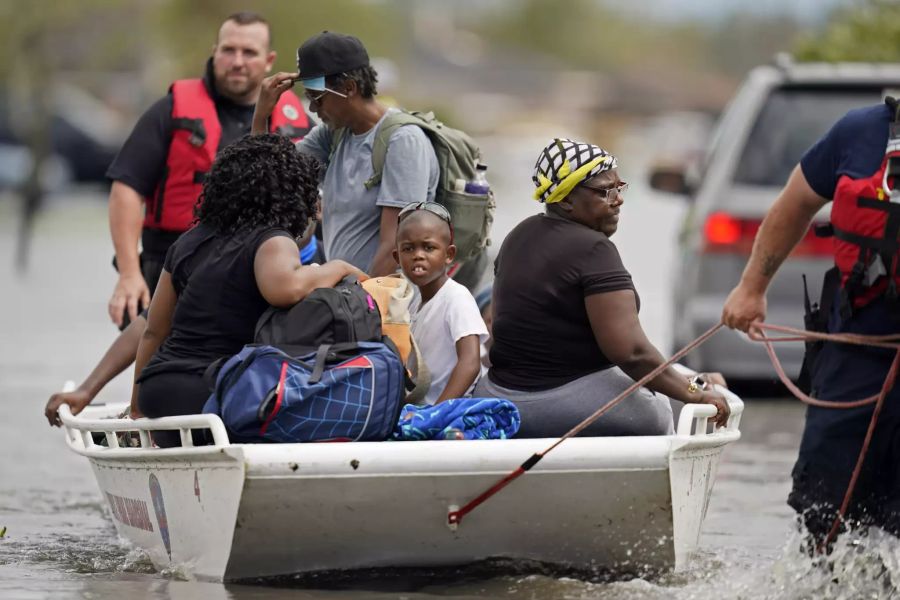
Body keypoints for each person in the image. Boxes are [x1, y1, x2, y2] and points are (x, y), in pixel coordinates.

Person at [722, 97, 900, 543]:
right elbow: (795, 203)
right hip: (858, 340)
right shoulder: (860, 130)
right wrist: (751, 287)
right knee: (824, 498)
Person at [475, 138, 729, 437]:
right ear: (566, 199)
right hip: (557, 403)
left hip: (497, 397)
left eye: (619, 188)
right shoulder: (594, 250)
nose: (617, 199)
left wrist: (696, 381)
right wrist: (695, 392)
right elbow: (632, 353)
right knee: (659, 408)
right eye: (604, 192)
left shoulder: (518, 236)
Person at [129, 134, 367, 447]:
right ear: (293, 193)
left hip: (159, 390)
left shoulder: (189, 240)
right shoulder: (272, 240)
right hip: (217, 394)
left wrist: (137, 408)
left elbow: (153, 332)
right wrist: (339, 267)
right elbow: (288, 289)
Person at [107, 11, 312, 329]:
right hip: (172, 263)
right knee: (157, 352)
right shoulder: (170, 111)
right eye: (229, 50)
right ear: (215, 51)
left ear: (269, 59)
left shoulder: (297, 120)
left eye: (249, 52)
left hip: (258, 268)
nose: (237, 61)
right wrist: (129, 274)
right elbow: (126, 190)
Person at [251, 31, 439, 276]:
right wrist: (261, 115)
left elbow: (395, 246)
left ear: (349, 88)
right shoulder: (333, 134)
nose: (312, 108)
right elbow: (269, 179)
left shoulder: (403, 141)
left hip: (383, 304)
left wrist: (363, 307)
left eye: (317, 98)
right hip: (347, 299)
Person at [394, 201, 487, 406]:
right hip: (418, 406)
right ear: (397, 257)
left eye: (429, 248)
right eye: (408, 249)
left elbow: (470, 363)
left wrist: (437, 414)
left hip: (447, 409)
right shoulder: (411, 300)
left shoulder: (456, 298)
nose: (418, 255)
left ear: (449, 255)